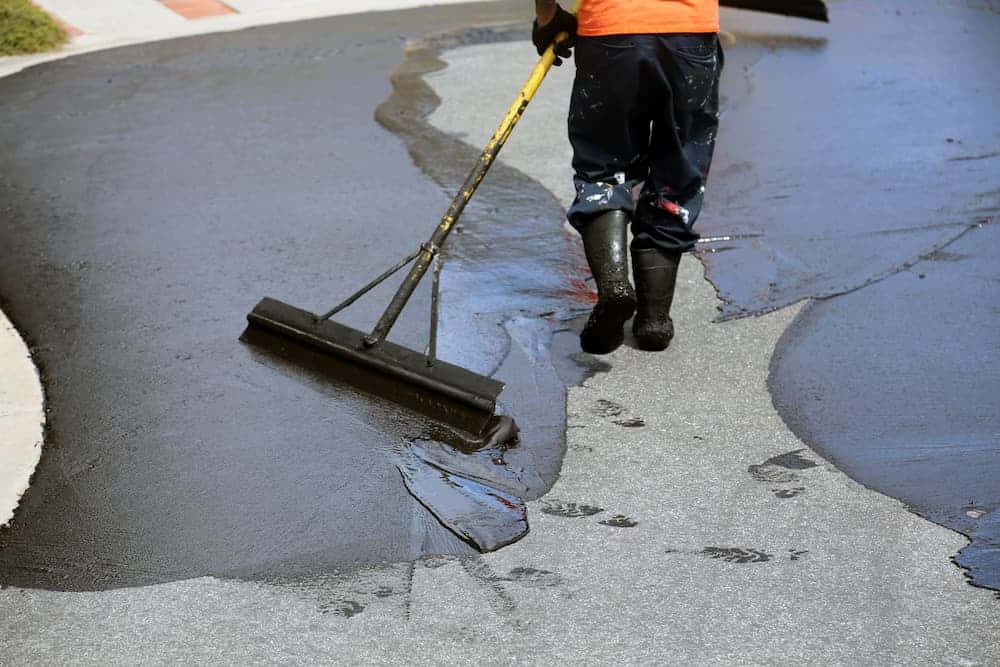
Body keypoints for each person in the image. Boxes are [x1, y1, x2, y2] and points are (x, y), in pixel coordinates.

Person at [532, 0, 723, 354]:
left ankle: (614, 285)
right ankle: (654, 318)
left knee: (604, 166)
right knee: (678, 168)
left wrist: (547, 16)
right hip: (690, 35)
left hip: (612, 32)